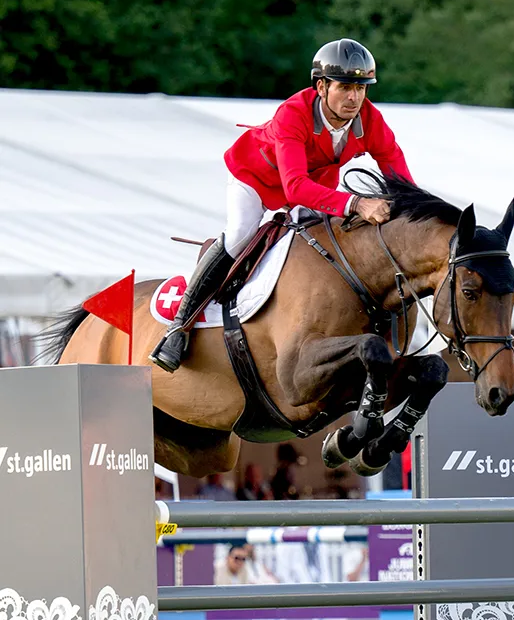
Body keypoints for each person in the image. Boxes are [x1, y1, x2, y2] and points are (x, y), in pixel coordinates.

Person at [150, 38, 414, 372]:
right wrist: (358, 203)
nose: (354, 98)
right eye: (345, 87)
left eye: (362, 88)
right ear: (321, 86)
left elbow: (393, 159)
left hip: (314, 185)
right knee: (240, 235)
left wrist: (410, 206)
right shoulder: (293, 113)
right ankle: (179, 327)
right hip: (257, 180)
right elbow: (295, 187)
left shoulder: (370, 119)